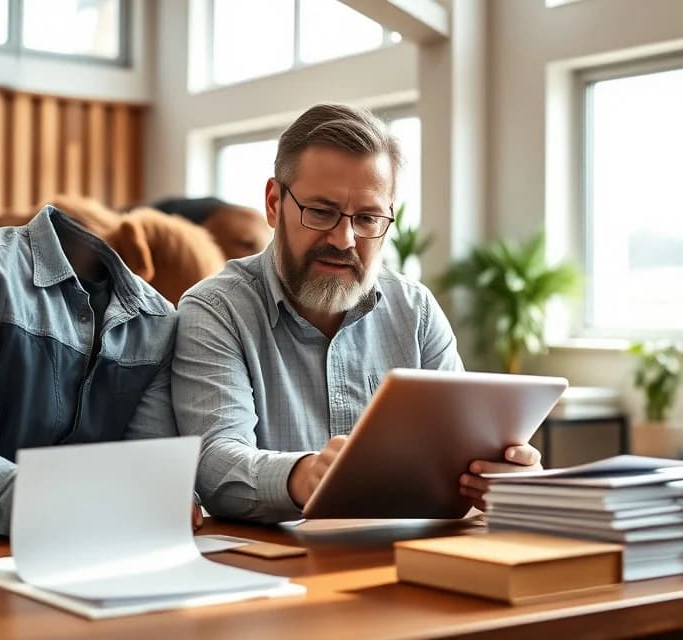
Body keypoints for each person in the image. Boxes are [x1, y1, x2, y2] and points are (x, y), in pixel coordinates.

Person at [172, 103, 541, 523]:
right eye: (321, 212)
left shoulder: (415, 310)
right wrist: (303, 475)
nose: (344, 239)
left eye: (367, 218)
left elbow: (462, 447)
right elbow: (215, 463)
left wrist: (508, 480)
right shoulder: (216, 310)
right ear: (274, 204)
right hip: (279, 571)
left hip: (410, 558)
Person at [0, 205, 201, 538]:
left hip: (79, 558)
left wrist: (168, 494)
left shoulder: (157, 321)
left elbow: (148, 475)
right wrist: (86, 505)